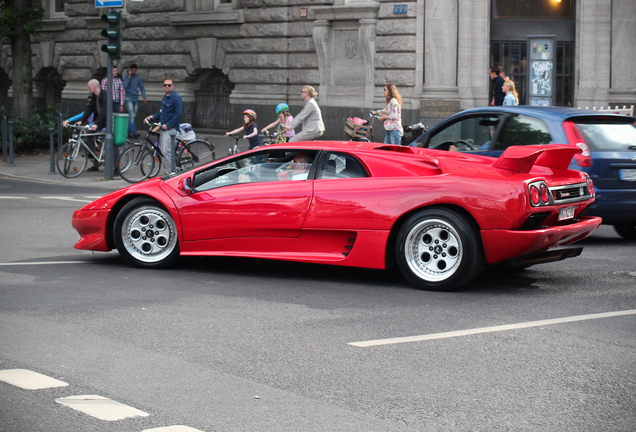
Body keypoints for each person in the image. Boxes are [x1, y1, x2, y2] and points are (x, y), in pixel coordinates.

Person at [144, 78, 183, 174]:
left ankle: (171, 174)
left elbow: (178, 114)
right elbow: (162, 113)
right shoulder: (165, 98)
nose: (167, 87)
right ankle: (169, 171)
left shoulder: (176, 98)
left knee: (166, 152)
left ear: (173, 86)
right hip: (163, 128)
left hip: (171, 129)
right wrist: (151, 117)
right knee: (166, 152)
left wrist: (168, 125)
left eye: (169, 85)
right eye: (165, 85)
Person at [76, 79, 110, 172]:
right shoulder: (94, 97)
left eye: (89, 87)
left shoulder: (105, 95)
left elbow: (104, 111)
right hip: (101, 122)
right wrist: (81, 121)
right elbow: (89, 109)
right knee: (88, 132)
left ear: (94, 87)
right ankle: (92, 153)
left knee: (107, 138)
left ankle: (106, 158)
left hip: (109, 122)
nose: (88, 89)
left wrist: (96, 123)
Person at [123, 63, 147, 139]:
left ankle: (127, 132)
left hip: (135, 98)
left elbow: (142, 87)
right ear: (130, 70)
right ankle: (134, 132)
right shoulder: (126, 77)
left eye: (135, 70)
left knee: (133, 116)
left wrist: (144, 97)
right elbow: (124, 86)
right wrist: (129, 77)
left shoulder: (138, 78)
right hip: (128, 98)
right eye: (132, 70)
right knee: (132, 115)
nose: (134, 72)